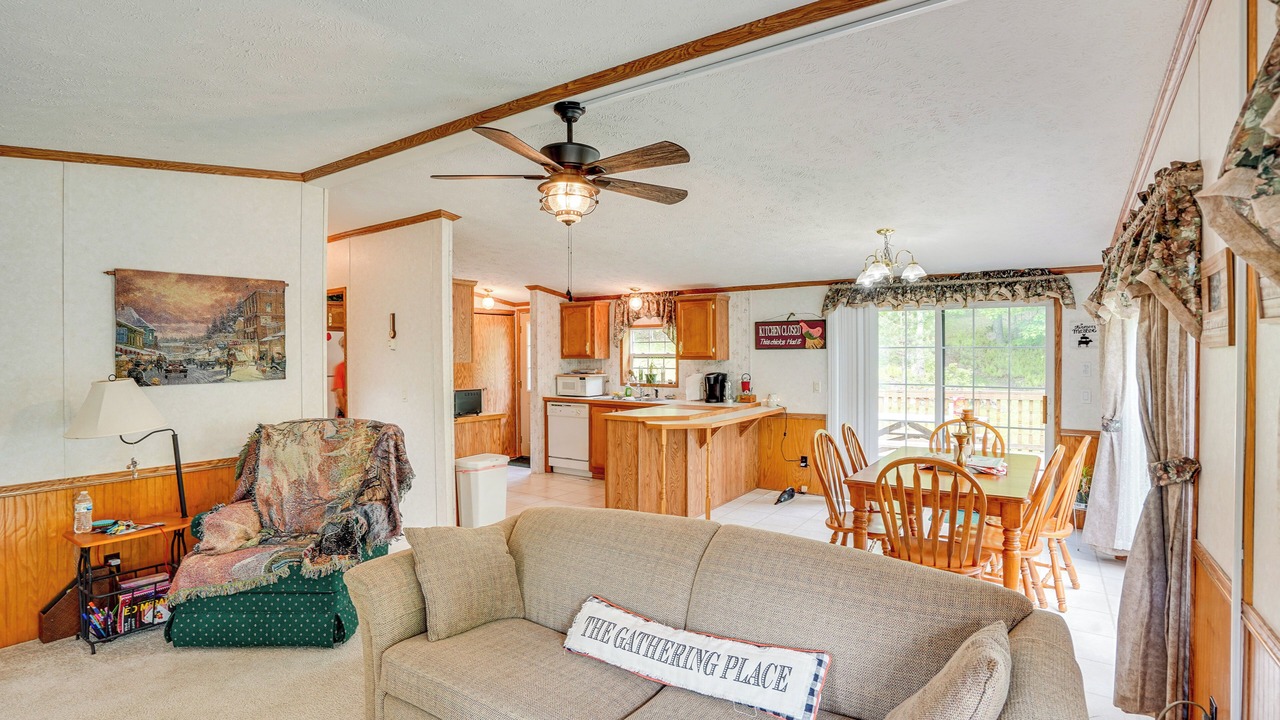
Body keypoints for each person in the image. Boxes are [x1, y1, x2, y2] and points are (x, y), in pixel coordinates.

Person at [332, 335, 347, 418]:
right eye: (344, 346)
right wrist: (347, 413)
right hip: (344, 412)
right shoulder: (340, 368)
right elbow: (339, 394)